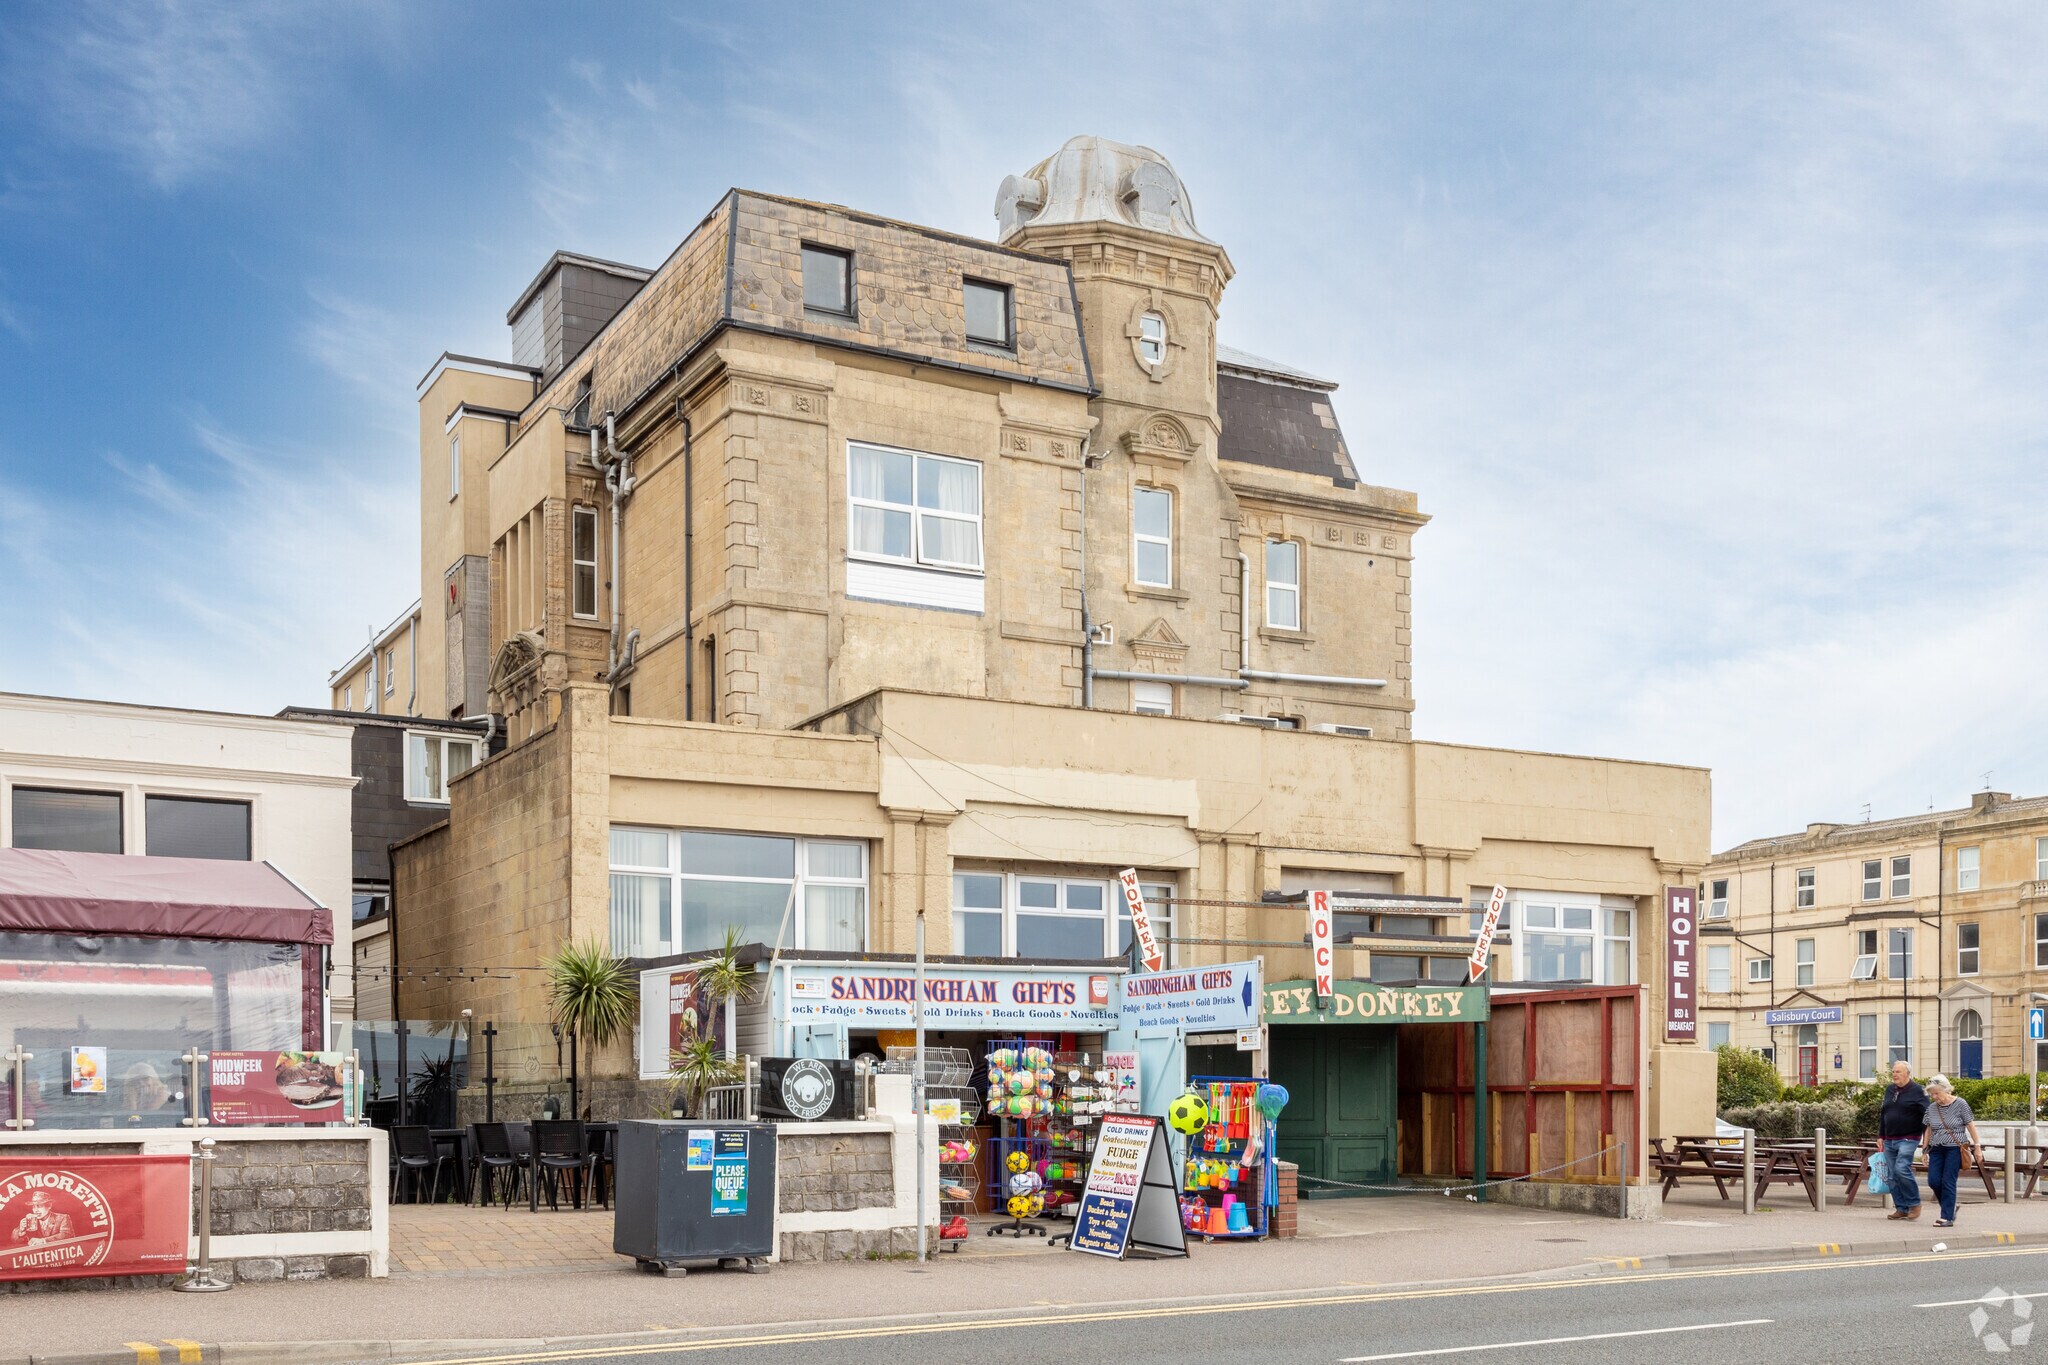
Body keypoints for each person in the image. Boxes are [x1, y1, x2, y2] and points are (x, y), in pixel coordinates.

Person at [1920, 1074, 1982, 1228]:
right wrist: (1924, 1150)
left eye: (1937, 1093)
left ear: (1946, 1090)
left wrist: (1978, 1146)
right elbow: (1928, 1129)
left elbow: (1970, 1125)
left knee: (1948, 1181)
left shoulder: (1960, 1104)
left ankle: (1946, 1216)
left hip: (1955, 1148)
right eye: (1932, 1094)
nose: (1934, 1097)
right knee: (1933, 1181)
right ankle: (1951, 1207)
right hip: (1936, 1149)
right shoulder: (1932, 1108)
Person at [1879, 1060, 1927, 1220]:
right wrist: (1881, 1135)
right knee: (1892, 1175)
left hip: (1909, 1137)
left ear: (1908, 1073)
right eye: (1893, 1072)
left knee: (1901, 1168)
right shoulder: (1889, 1090)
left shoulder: (1919, 1091)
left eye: (1898, 1072)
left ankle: (1914, 1204)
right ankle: (1902, 1208)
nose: (1894, 1074)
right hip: (1890, 1138)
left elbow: (1927, 1116)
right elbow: (1884, 1113)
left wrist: (1927, 1140)